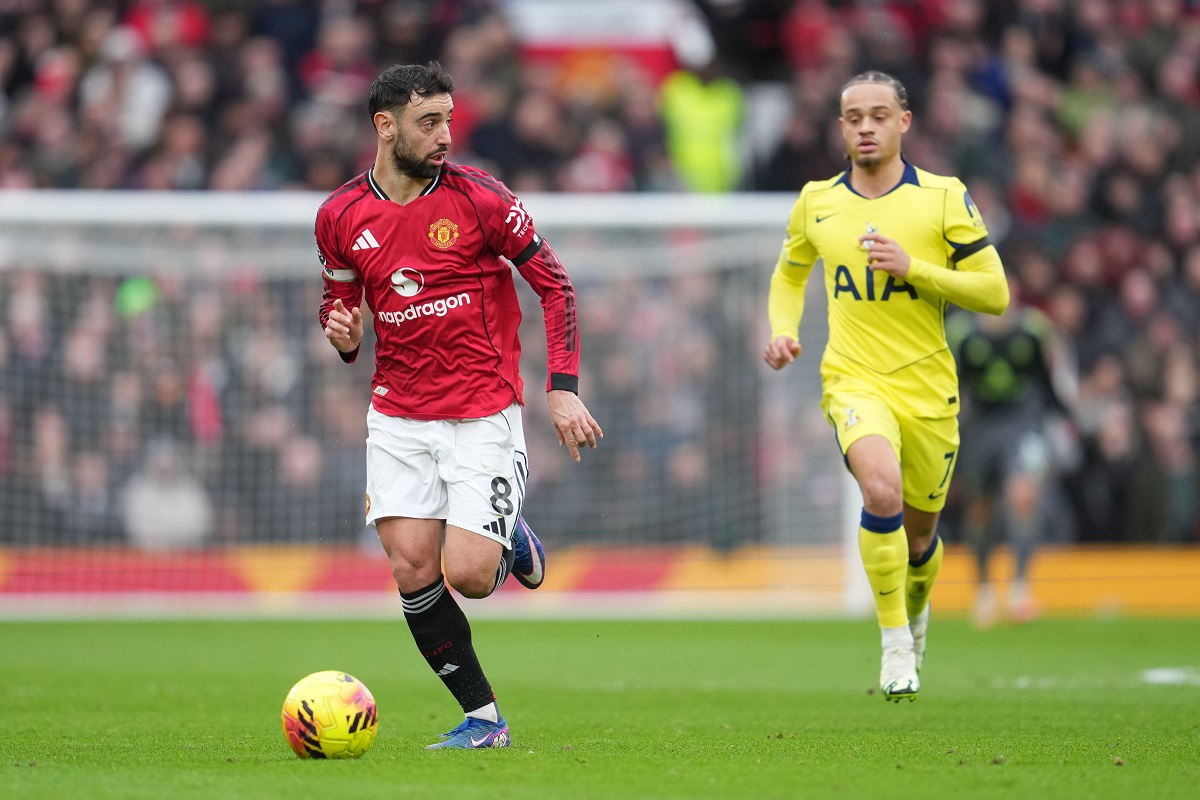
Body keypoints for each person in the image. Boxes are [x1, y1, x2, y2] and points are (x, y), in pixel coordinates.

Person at [317, 61, 602, 748]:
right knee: (413, 568)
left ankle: (511, 537)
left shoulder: (482, 199)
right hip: (397, 415)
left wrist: (562, 390)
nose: (445, 135)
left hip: (482, 410)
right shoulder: (339, 216)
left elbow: (556, 286)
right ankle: (483, 720)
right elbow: (340, 306)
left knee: (470, 576)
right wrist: (344, 335)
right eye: (428, 122)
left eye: (448, 119)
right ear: (385, 127)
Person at [763, 71, 1009, 701]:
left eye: (878, 115)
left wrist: (916, 268)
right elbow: (790, 272)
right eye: (853, 117)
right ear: (841, 127)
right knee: (881, 489)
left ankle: (917, 611)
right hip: (852, 378)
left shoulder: (944, 196)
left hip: (928, 388)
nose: (865, 126)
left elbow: (995, 292)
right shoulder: (817, 200)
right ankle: (895, 640)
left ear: (905, 122)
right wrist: (783, 329)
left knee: (921, 538)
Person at [947, 285, 1077, 627]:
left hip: (1024, 423)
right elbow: (950, 383)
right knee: (980, 509)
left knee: (1024, 497)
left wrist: (1065, 414)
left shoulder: (1034, 330)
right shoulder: (962, 333)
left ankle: (1020, 587)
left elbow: (1049, 379)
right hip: (981, 427)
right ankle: (985, 589)